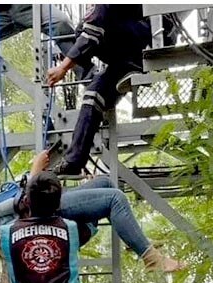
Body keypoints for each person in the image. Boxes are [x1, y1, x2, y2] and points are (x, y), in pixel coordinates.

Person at [0, 150, 184, 272]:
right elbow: (25, 203)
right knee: (114, 199)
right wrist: (36, 168)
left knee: (104, 183)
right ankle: (150, 257)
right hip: (44, 211)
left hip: (36, 227)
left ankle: (132, 238)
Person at [47, 6, 152, 176]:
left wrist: (64, 67)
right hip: (124, 57)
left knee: (87, 26)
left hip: (143, 42)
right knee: (93, 94)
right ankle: (74, 161)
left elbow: (93, 30)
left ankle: (131, 65)